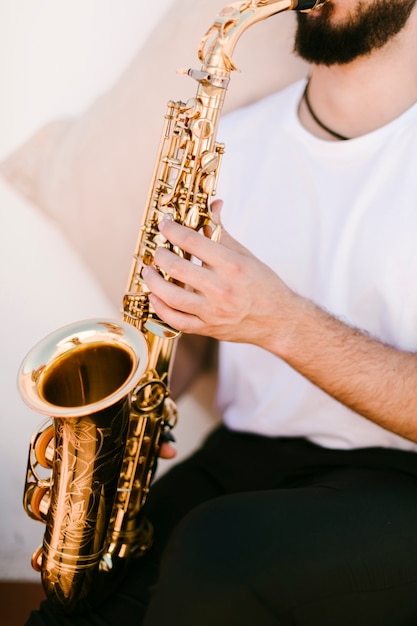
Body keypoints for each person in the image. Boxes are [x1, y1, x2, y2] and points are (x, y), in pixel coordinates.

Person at [25, 0, 417, 624]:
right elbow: (192, 332)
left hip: (401, 478)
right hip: (245, 458)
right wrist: (115, 420)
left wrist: (280, 319)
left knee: (219, 554)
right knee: (79, 604)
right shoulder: (232, 140)